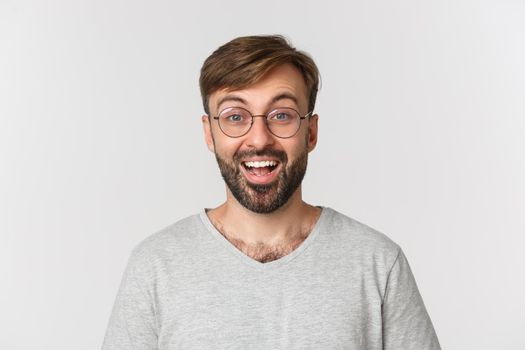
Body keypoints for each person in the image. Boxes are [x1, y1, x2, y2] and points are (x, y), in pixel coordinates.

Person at [102, 35, 441, 350]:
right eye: (236, 117)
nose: (259, 138)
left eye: (282, 115)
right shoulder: (155, 266)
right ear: (210, 134)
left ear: (310, 132)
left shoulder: (378, 263)